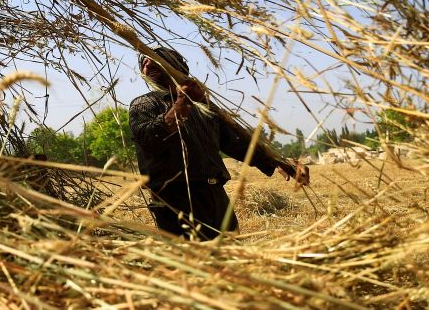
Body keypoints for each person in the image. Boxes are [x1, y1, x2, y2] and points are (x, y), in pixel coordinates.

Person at [129, 46, 309, 240]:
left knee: (230, 257)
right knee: (193, 262)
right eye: (143, 63)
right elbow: (149, 140)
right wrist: (181, 106)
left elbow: (236, 143)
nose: (146, 64)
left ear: (177, 65)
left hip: (215, 194)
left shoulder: (203, 107)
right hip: (176, 200)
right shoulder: (144, 104)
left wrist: (277, 160)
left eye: (154, 58)